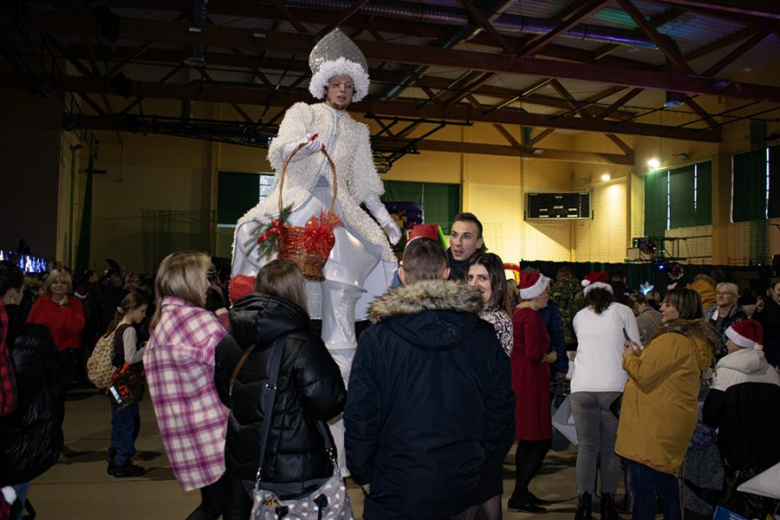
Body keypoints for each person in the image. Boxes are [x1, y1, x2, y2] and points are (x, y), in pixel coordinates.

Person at [231, 29, 401, 473]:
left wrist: (383, 219)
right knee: (250, 227)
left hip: (342, 210)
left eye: (349, 86)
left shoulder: (360, 132)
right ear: (325, 85)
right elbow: (278, 150)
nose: (342, 92)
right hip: (300, 198)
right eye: (336, 84)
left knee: (382, 254)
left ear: (355, 90)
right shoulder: (302, 112)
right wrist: (298, 145)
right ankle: (250, 298)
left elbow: (365, 184)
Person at [345, 238, 514, 520]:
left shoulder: (376, 339)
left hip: (396, 481)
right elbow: (500, 406)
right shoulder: (482, 335)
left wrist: (362, 470)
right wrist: (477, 455)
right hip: (457, 480)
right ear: (447, 274)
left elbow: (361, 413)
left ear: (401, 275)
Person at [214, 259, 346, 518]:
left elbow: (227, 395)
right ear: (298, 290)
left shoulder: (230, 341)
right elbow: (330, 401)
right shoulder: (303, 343)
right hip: (296, 472)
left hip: (248, 465)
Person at [616, 288, 719, 520]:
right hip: (669, 423)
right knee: (666, 485)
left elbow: (643, 374)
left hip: (652, 427)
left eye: (668, 304)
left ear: (681, 309)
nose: (662, 307)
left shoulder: (673, 339)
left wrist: (629, 357)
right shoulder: (695, 339)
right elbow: (665, 372)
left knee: (644, 493)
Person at [143, 252, 231, 520]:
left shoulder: (162, 322)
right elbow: (235, 370)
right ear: (189, 281)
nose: (208, 285)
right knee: (226, 506)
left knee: (215, 505)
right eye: (204, 278)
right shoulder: (197, 321)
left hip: (189, 435)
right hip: (217, 435)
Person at [571, 270, 642, 520]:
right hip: (614, 388)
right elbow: (636, 348)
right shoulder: (624, 311)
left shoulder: (579, 316)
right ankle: (609, 506)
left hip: (581, 388)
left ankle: (584, 505)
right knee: (610, 449)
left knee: (587, 448)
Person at [702, 319, 780, 518]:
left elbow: (711, 413)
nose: (726, 343)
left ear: (739, 342)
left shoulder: (726, 370)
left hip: (733, 448)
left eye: (730, 339)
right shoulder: (771, 370)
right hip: (767, 447)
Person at [466, 253, 515, 520]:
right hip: (488, 417)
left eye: (482, 277)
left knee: (474, 493)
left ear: (496, 284)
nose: (474, 283)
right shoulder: (476, 317)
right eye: (471, 277)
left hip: (490, 418)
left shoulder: (493, 321)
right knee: (487, 489)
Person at [508, 271, 557, 513]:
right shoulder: (530, 317)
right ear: (536, 293)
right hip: (531, 384)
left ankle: (522, 492)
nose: (549, 296)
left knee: (528, 442)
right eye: (546, 291)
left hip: (523, 381)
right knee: (541, 440)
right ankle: (518, 494)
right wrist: (550, 357)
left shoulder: (519, 314)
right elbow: (534, 353)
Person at [105, 292, 149, 478]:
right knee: (128, 422)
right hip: (127, 383)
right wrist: (146, 349)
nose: (144, 315)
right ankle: (122, 460)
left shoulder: (118, 327)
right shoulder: (129, 330)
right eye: (142, 311)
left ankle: (114, 455)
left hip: (116, 382)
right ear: (132, 309)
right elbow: (130, 357)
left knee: (118, 420)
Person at [26, 269, 85, 385]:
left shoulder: (75, 303)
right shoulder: (41, 302)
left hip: (64, 356)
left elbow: (77, 327)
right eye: (55, 282)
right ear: (50, 284)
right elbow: (29, 326)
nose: (59, 285)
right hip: (41, 355)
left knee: (58, 395)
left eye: (63, 283)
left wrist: (63, 308)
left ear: (68, 286)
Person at [703, 282, 746, 357]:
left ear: (734, 296)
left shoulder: (740, 316)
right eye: (718, 293)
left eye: (725, 293)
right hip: (708, 356)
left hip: (729, 357)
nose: (720, 296)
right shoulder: (708, 313)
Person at [551, 266, 585, 355]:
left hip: (556, 336)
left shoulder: (551, 291)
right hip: (576, 336)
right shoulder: (580, 291)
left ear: (557, 277)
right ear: (571, 276)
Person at [447, 212, 485, 280]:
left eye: (466, 237)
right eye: (454, 235)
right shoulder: (436, 268)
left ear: (479, 243)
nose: (458, 243)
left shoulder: (489, 273)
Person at [755, 278, 780, 368]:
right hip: (771, 351)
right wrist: (759, 311)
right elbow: (758, 328)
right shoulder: (764, 307)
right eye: (779, 290)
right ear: (771, 291)